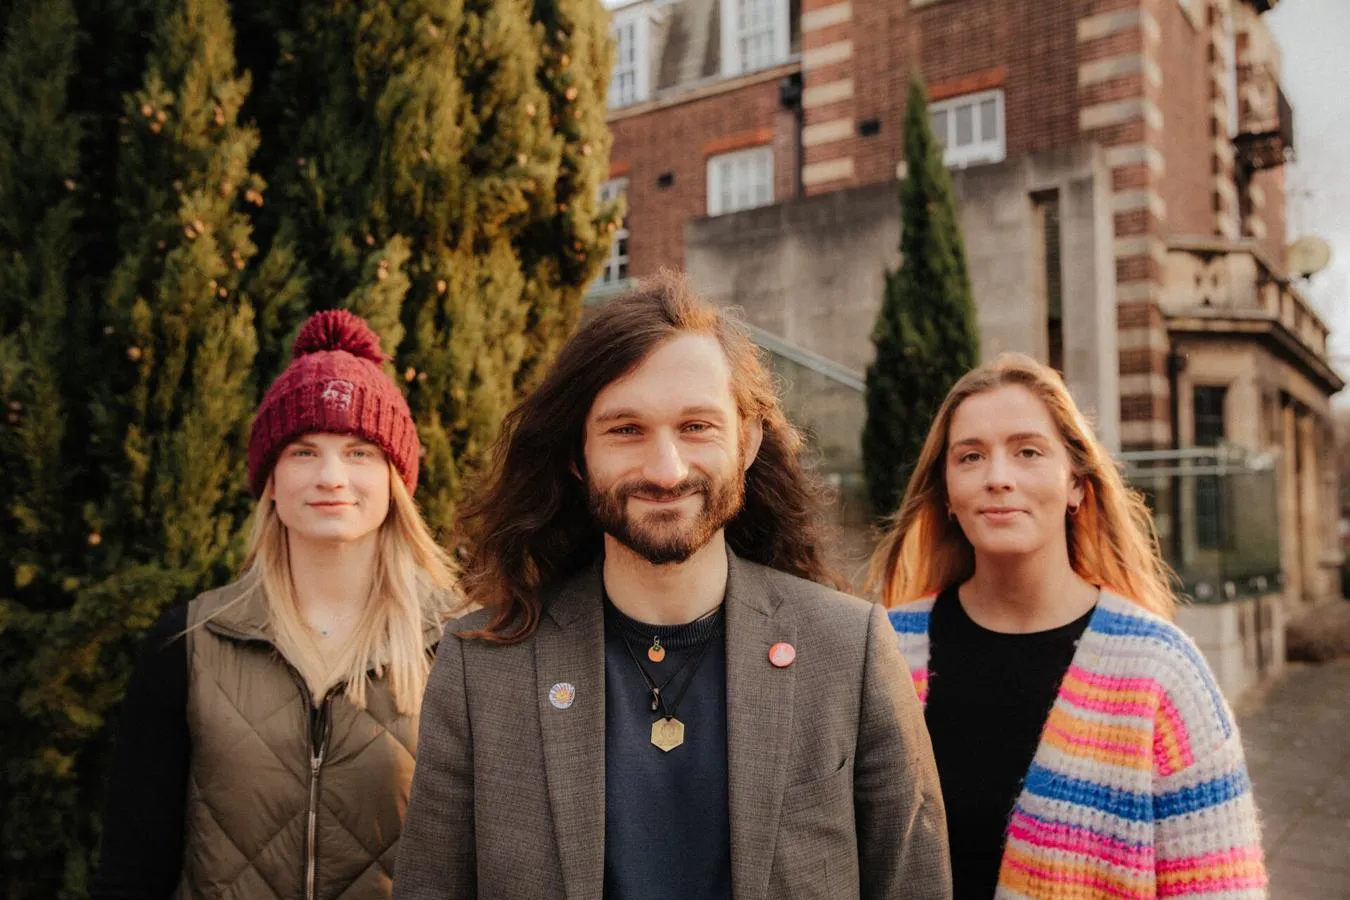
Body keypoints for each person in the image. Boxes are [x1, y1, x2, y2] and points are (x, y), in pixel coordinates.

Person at [393, 271, 950, 900]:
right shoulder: (480, 669)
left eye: (696, 427)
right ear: (578, 455)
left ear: (748, 442)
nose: (666, 469)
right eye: (626, 430)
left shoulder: (849, 651)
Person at [91, 310, 461, 900]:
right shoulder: (190, 642)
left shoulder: (462, 645)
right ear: (270, 477)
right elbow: (132, 869)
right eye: (303, 451)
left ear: (396, 478)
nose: (331, 476)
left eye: (361, 452)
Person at [874, 353, 1267, 899]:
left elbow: (1221, 888)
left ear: (1077, 484)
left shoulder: (1161, 674)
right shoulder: (883, 651)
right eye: (970, 457)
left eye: (1028, 451)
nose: (998, 478)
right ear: (946, 492)